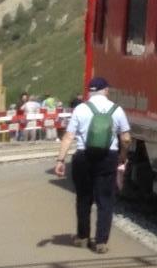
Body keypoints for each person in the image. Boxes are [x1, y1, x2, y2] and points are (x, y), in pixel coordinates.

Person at [52, 77, 131, 253]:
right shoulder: (117, 110)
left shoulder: (80, 109)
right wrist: (122, 156)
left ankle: (82, 237)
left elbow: (68, 136)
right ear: (106, 90)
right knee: (105, 200)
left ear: (90, 92)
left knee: (83, 198)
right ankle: (101, 242)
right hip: (108, 157)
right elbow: (126, 139)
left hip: (83, 157)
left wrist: (60, 160)